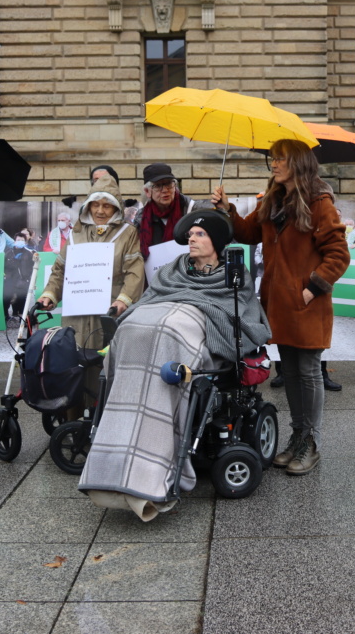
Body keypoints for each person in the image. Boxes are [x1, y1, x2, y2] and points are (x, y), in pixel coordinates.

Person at [77, 210, 269, 521]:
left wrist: (189, 310)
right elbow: (150, 300)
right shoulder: (173, 269)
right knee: (129, 328)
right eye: (190, 234)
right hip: (154, 326)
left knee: (169, 331)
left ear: (217, 243)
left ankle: (155, 463)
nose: (192, 239)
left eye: (200, 234)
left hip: (189, 331)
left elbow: (236, 315)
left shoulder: (234, 276)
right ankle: (112, 458)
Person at [211, 138, 351, 476]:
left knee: (308, 372)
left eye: (281, 159)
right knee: (290, 373)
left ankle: (310, 443)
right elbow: (246, 232)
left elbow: (339, 254)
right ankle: (297, 438)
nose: (273, 164)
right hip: (278, 304)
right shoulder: (272, 200)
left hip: (306, 304)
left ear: (299, 163)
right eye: (272, 159)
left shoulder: (319, 203)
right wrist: (226, 210)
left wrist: (311, 289)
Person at [37, 172, 145, 350]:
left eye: (106, 206)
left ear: (116, 208)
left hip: (110, 311)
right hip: (77, 314)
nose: (100, 211)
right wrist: (49, 294)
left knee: (107, 363)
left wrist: (123, 300)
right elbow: (60, 270)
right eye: (95, 205)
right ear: (88, 206)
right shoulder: (76, 233)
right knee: (75, 362)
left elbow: (134, 270)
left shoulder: (127, 233)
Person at [136, 162, 197, 259]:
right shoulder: (141, 219)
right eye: (157, 186)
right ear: (147, 192)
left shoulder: (192, 209)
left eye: (168, 183)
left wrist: (225, 208)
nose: (165, 190)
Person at [3, 231, 35, 322]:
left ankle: (23, 318)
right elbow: (4, 266)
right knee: (6, 299)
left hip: (22, 280)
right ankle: (5, 316)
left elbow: (32, 266)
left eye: (22, 240)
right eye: (18, 240)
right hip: (10, 280)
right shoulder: (8, 253)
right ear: (15, 241)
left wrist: (28, 277)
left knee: (22, 300)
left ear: (25, 242)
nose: (20, 241)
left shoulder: (29, 253)